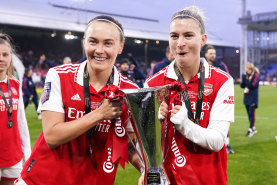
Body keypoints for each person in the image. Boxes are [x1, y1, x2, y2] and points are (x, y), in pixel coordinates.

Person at [15, 16, 142, 185]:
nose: (99, 50)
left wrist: (147, 170)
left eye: (108, 43)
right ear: (84, 43)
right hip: (42, 179)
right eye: (93, 41)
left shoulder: (130, 91)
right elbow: (52, 136)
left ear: (120, 46)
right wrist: (99, 114)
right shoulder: (59, 75)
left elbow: (126, 142)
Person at [141, 6, 234, 185]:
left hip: (210, 180)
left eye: (188, 35)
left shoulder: (222, 81)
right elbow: (145, 147)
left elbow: (217, 142)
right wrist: (158, 123)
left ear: (203, 40)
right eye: (174, 36)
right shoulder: (153, 84)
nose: (180, 43)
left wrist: (184, 124)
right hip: (169, 180)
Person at [0, 33, 31, 185]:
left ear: (10, 57)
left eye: (5, 54)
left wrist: (28, 153)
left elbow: (21, 122)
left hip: (13, 155)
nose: (1, 59)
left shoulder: (16, 85)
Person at [205, 45, 234, 154]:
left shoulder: (221, 65)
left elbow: (228, 80)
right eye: (211, 53)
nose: (213, 55)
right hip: (206, 98)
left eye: (214, 53)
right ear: (206, 54)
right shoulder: (201, 66)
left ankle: (227, 145)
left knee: (224, 121)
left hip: (219, 98)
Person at [240, 62, 260, 137]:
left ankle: (250, 130)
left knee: (252, 113)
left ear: (249, 68)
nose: (245, 69)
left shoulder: (255, 75)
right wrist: (243, 79)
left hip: (253, 97)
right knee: (249, 114)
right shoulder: (246, 76)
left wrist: (245, 79)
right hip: (247, 97)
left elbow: (252, 86)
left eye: (245, 67)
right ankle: (253, 128)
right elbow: (242, 86)